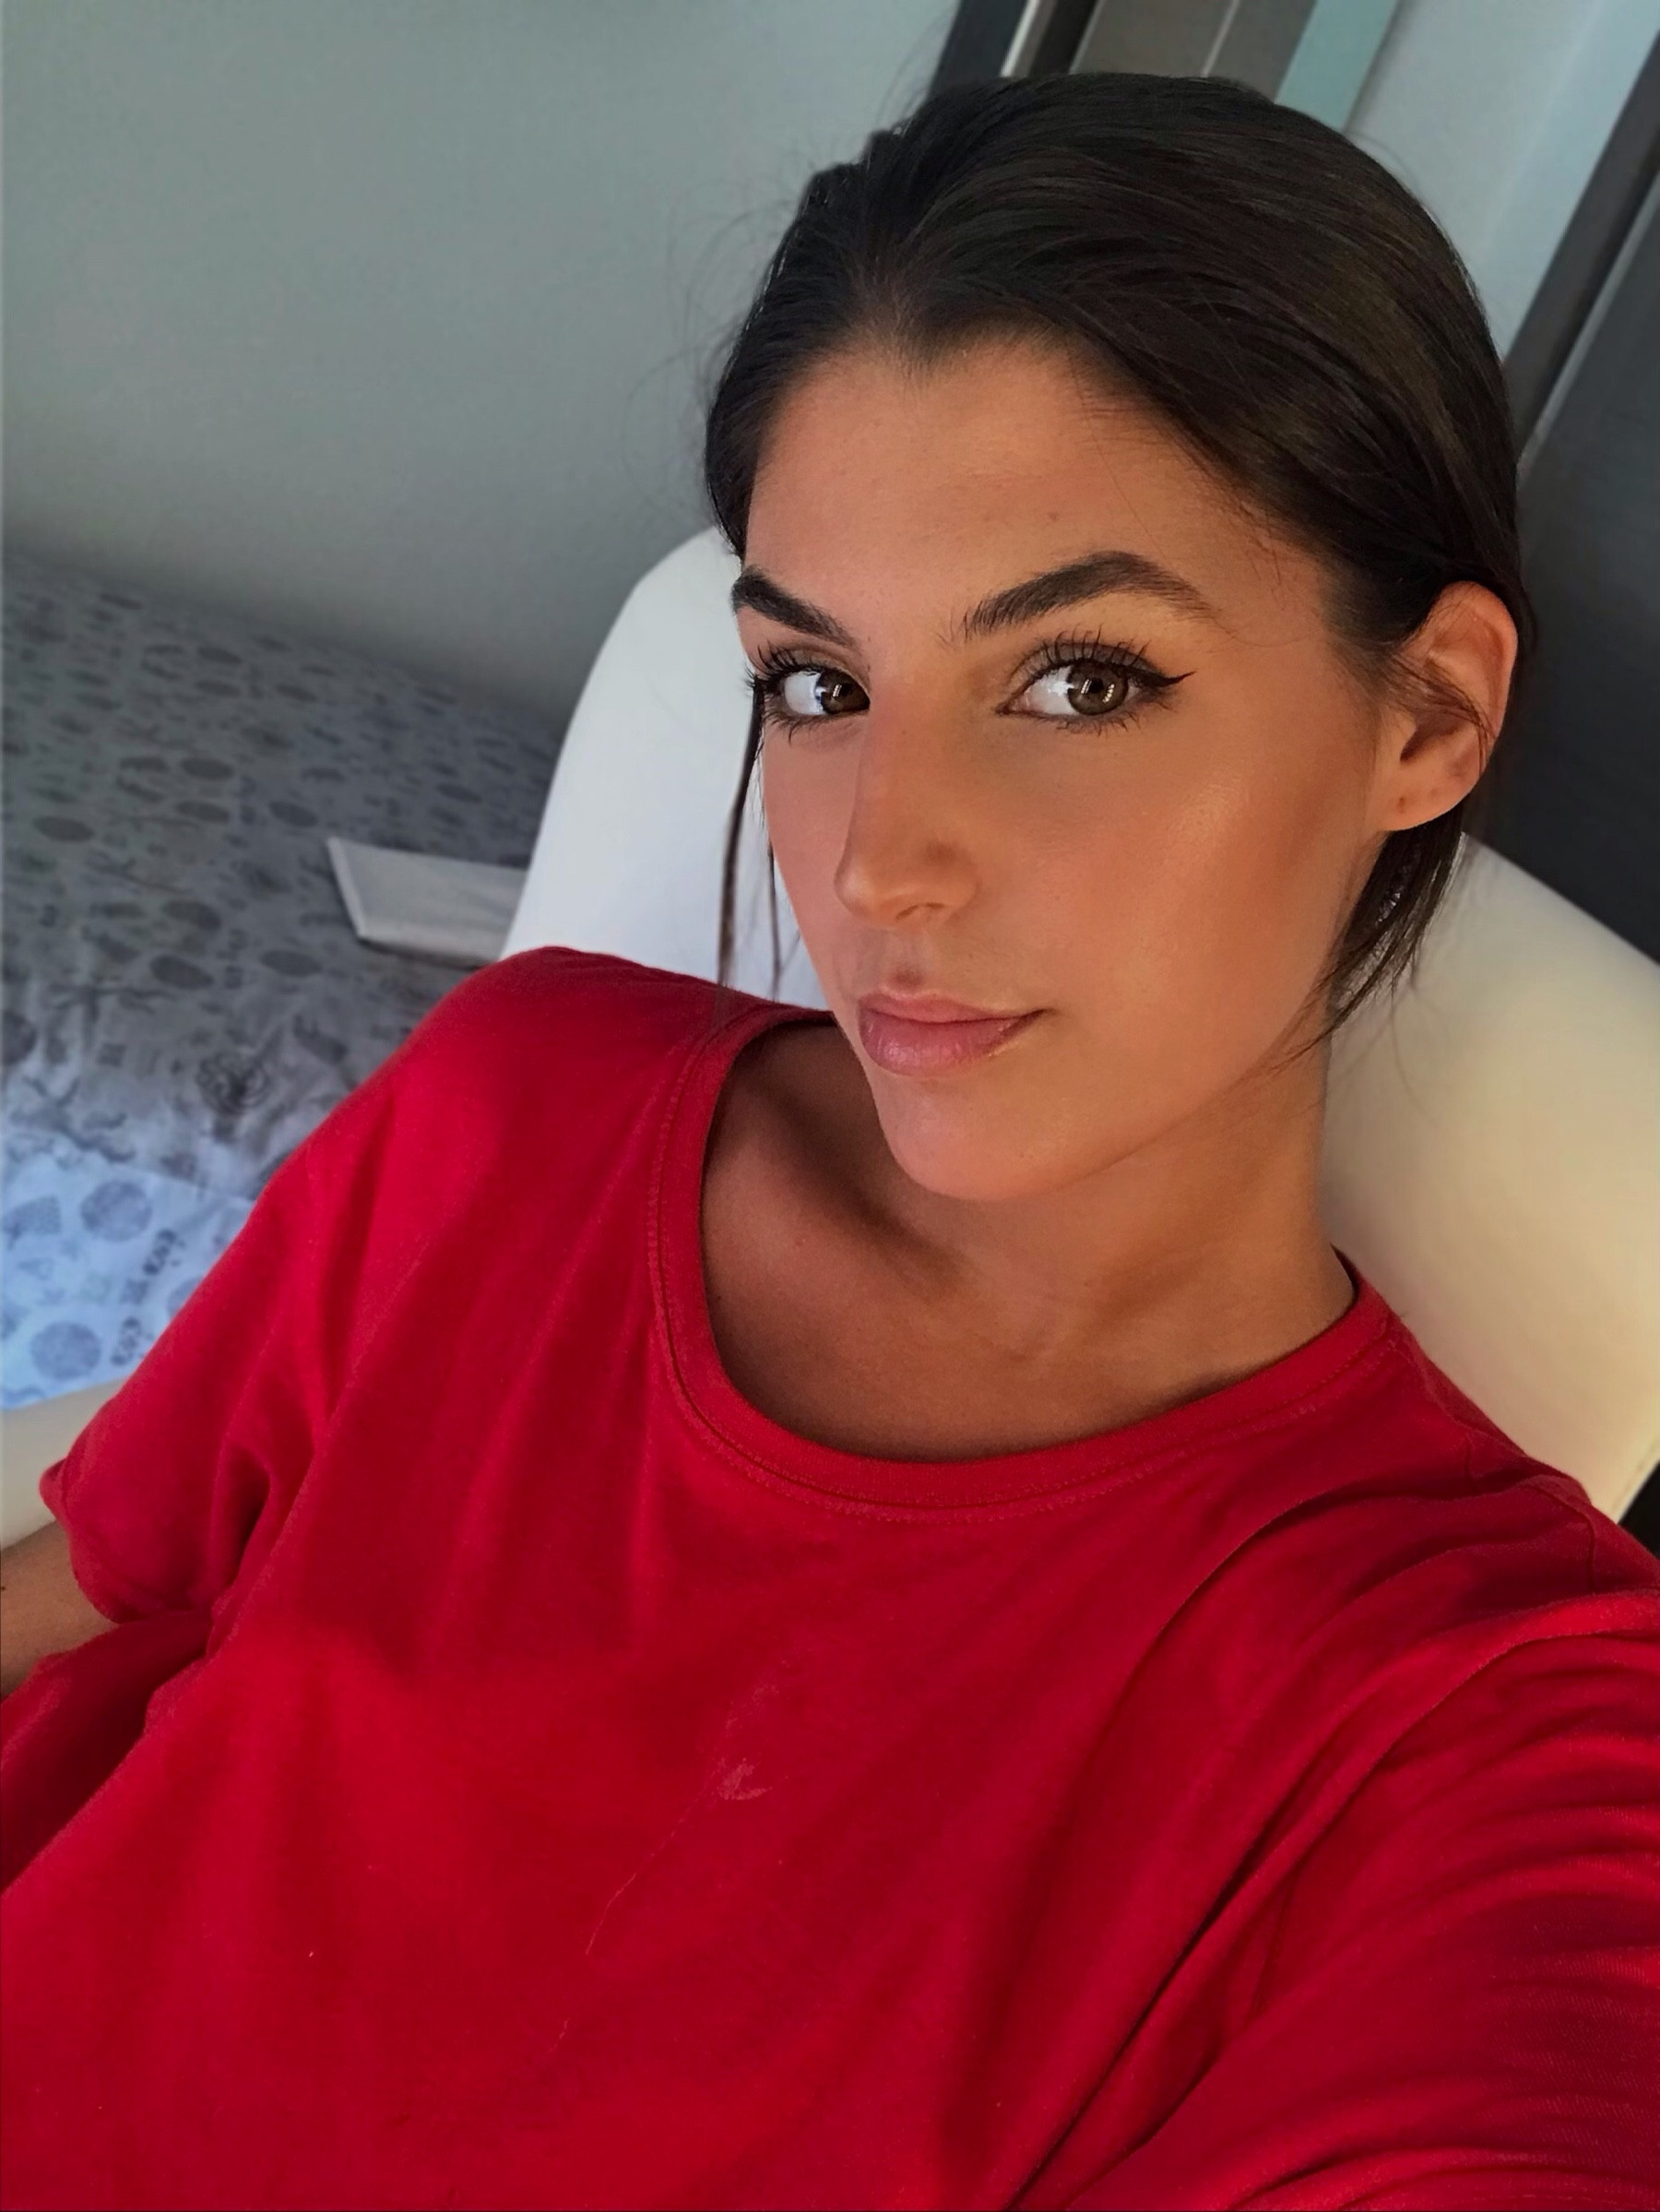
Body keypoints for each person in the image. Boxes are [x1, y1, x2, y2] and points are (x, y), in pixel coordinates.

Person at [3, 70, 1656, 2212]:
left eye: (1079, 679)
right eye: (816, 684)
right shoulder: (524, 1103)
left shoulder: (1478, 1701)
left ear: (1427, 714)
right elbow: (96, 1586)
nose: (880, 864)